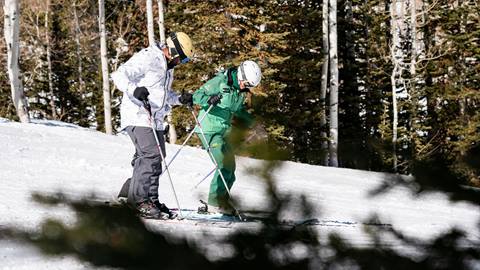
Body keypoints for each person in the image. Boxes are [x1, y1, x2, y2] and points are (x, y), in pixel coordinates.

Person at [110, 32, 194, 219]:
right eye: (183, 59)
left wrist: (180, 99)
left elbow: (163, 96)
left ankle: (149, 198)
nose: (182, 63)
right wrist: (135, 90)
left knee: (157, 157)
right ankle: (138, 201)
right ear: (173, 51)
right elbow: (118, 75)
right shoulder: (149, 57)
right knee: (150, 155)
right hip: (137, 115)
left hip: (154, 118)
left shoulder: (168, 67)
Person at [192, 60, 262, 215]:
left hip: (223, 131)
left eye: (250, 85)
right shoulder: (220, 82)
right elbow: (197, 95)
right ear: (240, 75)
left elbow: (238, 111)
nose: (247, 87)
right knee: (223, 163)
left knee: (231, 167)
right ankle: (214, 203)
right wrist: (209, 100)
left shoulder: (239, 92)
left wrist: (254, 124)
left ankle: (222, 201)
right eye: (247, 83)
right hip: (208, 130)